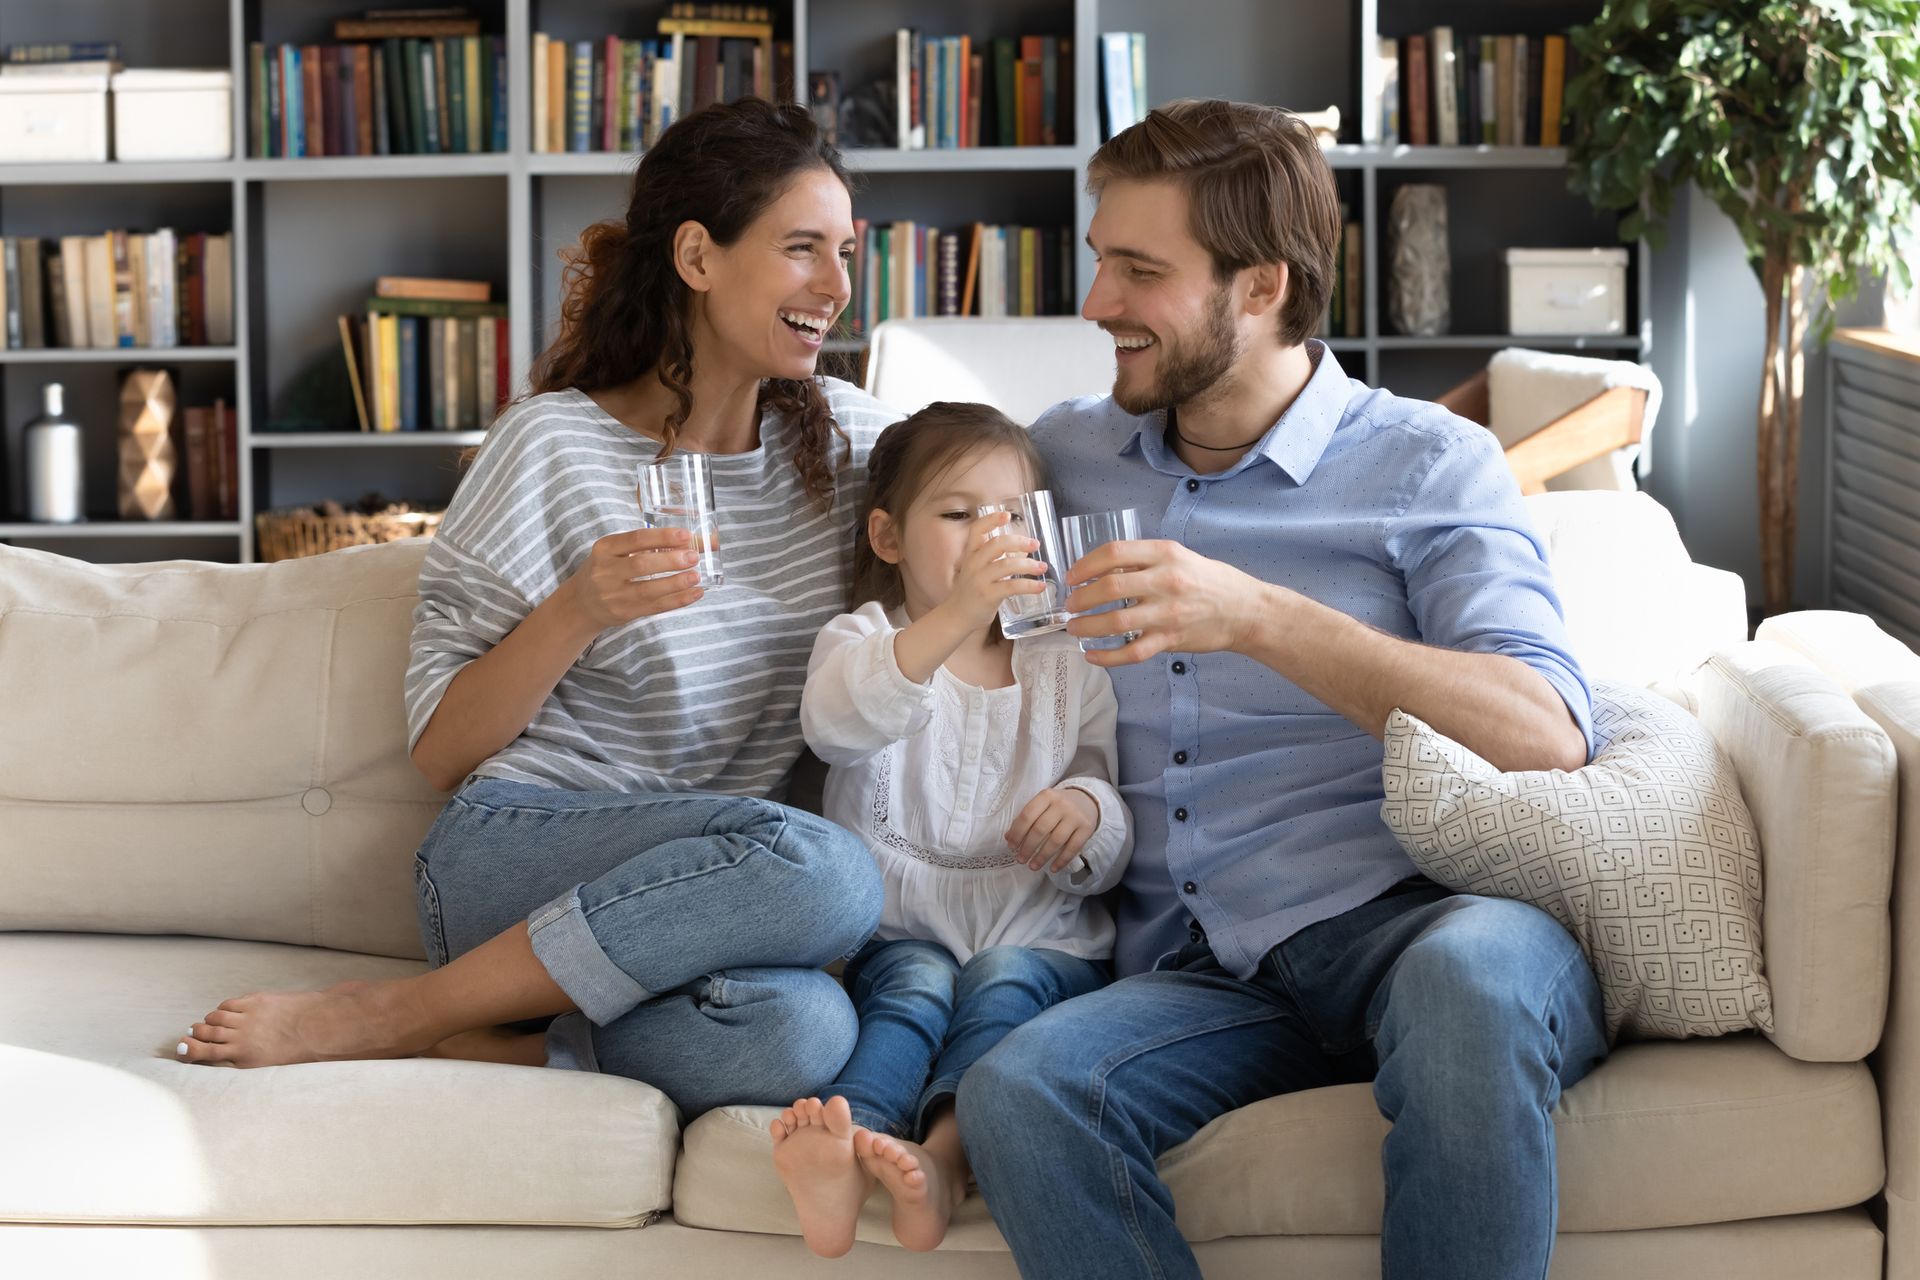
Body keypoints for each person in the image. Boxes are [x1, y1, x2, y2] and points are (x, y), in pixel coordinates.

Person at [953, 99, 1610, 1280]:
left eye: (1138, 270)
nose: (1097, 302)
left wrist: (1257, 614)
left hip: (1429, 922)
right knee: (1021, 1089)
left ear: (1260, 289)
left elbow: (1546, 733)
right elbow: (902, 503)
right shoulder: (1065, 456)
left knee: (1470, 987)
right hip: (1212, 968)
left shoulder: (1423, 463)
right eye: (1102, 260)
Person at [176, 98, 903, 1121]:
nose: (835, 287)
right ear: (698, 256)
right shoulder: (552, 445)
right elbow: (441, 749)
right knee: (826, 868)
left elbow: (1007, 482)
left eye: (844, 252)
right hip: (519, 847)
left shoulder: (856, 448)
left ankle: (497, 1039)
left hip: (708, 898)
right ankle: (399, 1011)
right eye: (801, 250)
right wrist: (578, 607)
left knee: (803, 1031)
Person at [770, 403, 1133, 1258]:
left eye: (1012, 518)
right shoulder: (868, 640)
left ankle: (942, 1158)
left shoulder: (1067, 659)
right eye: (959, 514)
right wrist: (956, 616)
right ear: (889, 537)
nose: (988, 538)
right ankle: (849, 1144)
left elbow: (1107, 791)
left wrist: (1087, 812)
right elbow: (834, 724)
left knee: (1002, 982)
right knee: (912, 992)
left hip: (1042, 941)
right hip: (903, 934)